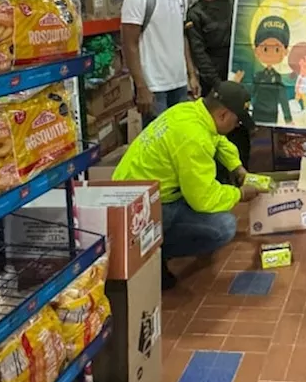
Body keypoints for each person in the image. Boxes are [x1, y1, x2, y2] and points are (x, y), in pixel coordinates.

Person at [111, 81, 261, 289]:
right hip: (140, 206)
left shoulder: (190, 111)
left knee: (206, 199)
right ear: (223, 115)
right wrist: (240, 194)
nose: (237, 126)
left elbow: (218, 140)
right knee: (223, 227)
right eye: (237, 122)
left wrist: (237, 168)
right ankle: (152, 252)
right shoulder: (194, 138)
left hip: (134, 190)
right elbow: (204, 199)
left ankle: (152, 243)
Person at [121, 0, 201, 125]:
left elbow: (181, 38)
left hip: (179, 84)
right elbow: (129, 45)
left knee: (179, 139)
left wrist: (191, 75)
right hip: (154, 87)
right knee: (158, 146)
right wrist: (141, 86)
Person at [185, 0, 250, 169]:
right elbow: (198, 52)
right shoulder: (196, 13)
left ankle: (242, 167)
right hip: (213, 74)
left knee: (240, 122)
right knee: (216, 125)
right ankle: (219, 172)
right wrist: (216, 84)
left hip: (239, 69)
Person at [234, 15, 294, 125]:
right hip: (257, 113)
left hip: (271, 115)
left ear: (285, 51)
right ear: (257, 51)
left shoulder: (277, 77)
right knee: (257, 137)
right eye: (265, 48)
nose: (271, 53)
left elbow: (283, 98)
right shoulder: (258, 76)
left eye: (276, 49)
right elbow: (251, 93)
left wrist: (288, 118)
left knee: (270, 138)